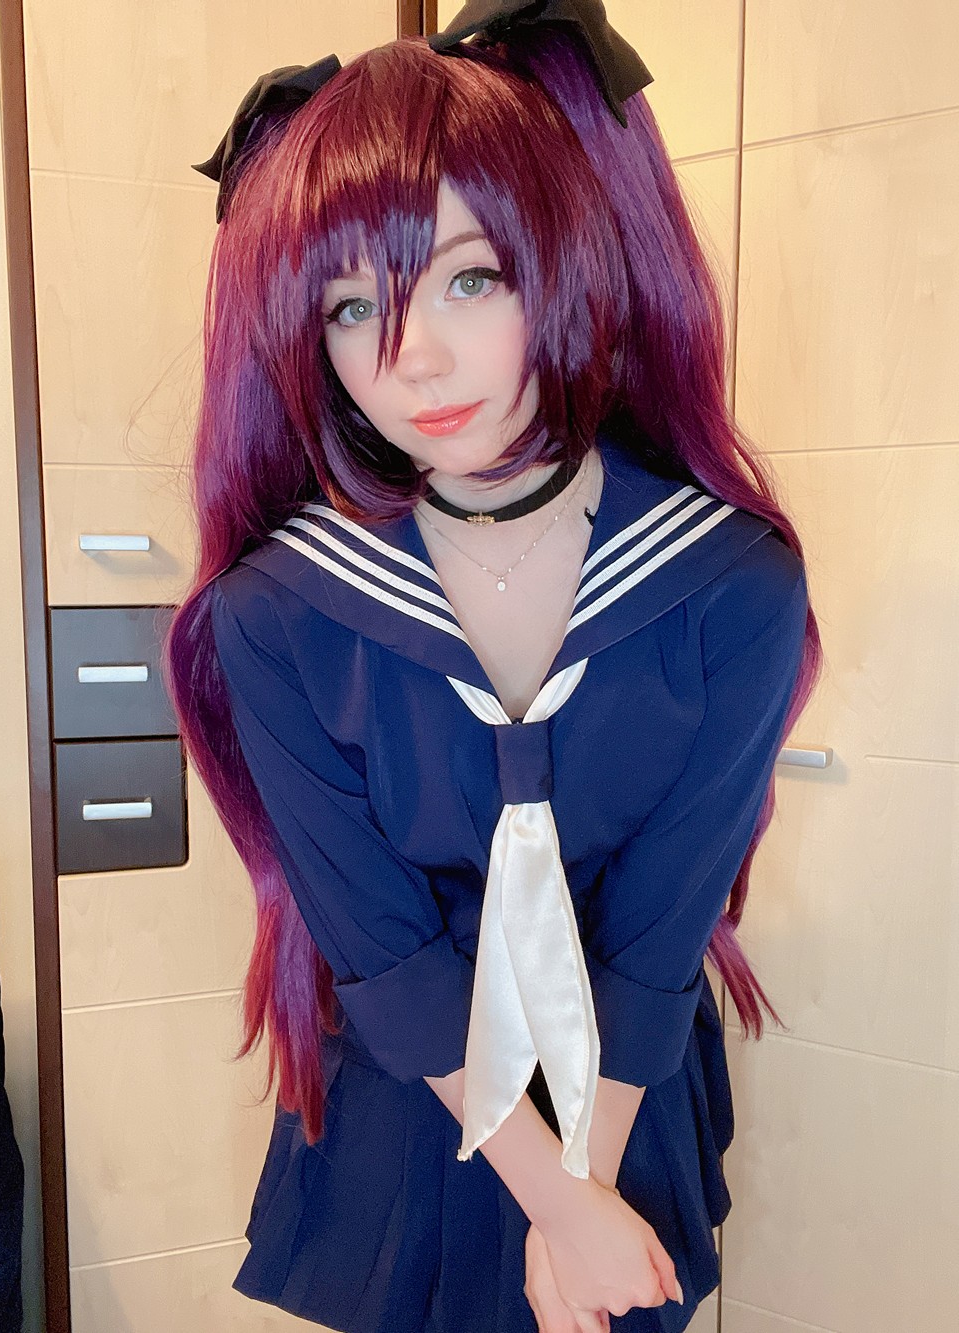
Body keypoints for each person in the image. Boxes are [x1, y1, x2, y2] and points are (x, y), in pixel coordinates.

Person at [164, 4, 823, 1330]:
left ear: (568, 263)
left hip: (622, 1089)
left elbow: (660, 929)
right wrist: (562, 1208)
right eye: (354, 306)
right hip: (414, 1098)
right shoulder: (281, 612)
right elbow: (380, 945)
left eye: (470, 279)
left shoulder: (730, 583)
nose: (411, 358)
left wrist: (587, 1187)